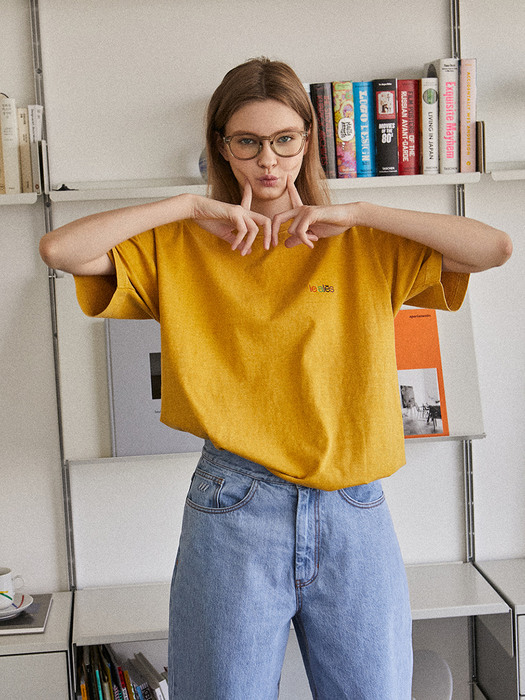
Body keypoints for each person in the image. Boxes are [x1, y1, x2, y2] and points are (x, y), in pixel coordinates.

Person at [40, 58, 512, 699]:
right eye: (248, 142)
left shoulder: (359, 240)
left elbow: (493, 248)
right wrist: (184, 203)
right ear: (222, 147)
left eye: (285, 139)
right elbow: (59, 250)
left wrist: (363, 211)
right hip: (233, 506)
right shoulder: (180, 243)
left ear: (308, 141)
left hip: (354, 505)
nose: (269, 160)